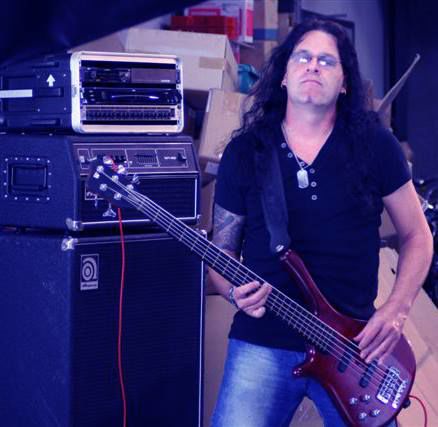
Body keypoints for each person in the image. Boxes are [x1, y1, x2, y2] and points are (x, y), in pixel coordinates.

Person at [208, 19, 433, 427]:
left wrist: (397, 310)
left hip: (354, 350)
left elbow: (418, 235)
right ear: (283, 75)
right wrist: (233, 293)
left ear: (344, 83)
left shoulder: (375, 145)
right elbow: (221, 254)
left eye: (327, 61)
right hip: (262, 341)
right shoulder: (245, 151)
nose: (313, 66)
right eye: (303, 57)